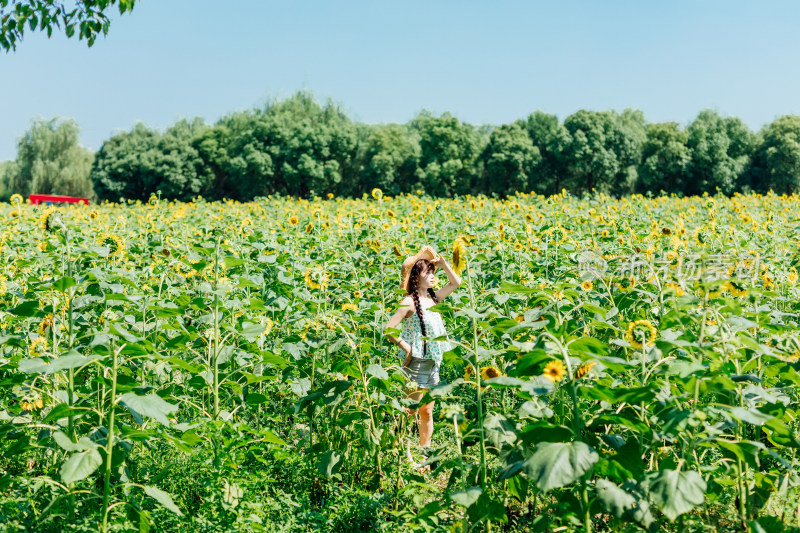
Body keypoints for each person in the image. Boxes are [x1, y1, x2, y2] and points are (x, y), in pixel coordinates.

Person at [383, 245, 461, 470]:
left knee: (427, 411)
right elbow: (388, 328)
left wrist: (444, 264)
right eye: (428, 273)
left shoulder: (434, 298)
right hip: (417, 363)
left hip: (433, 362)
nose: (433, 277)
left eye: (433, 273)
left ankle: (424, 455)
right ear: (416, 278)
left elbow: (456, 283)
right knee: (410, 411)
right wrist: (406, 347)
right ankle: (404, 455)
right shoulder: (408, 302)